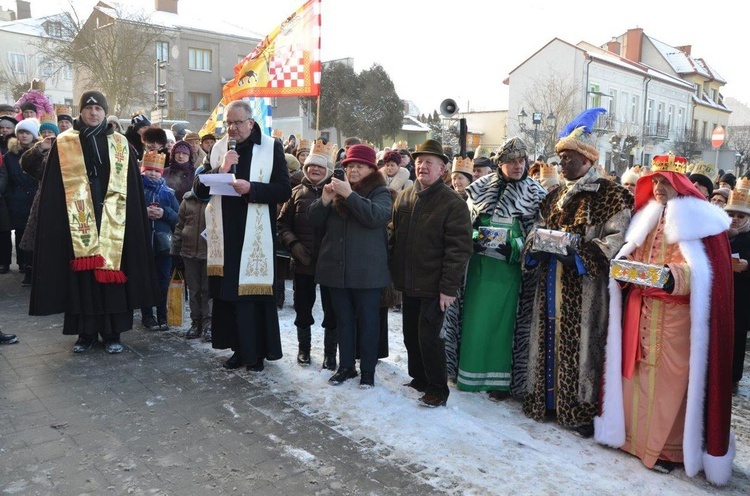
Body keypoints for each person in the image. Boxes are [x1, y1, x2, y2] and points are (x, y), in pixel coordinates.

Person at [595, 153, 735, 485]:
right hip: (642, 311)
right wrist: (625, 268)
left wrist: (673, 277)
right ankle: (635, 441)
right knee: (638, 374)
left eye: (664, 182)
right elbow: (633, 256)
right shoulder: (646, 217)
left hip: (678, 321)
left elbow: (707, 272)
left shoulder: (701, 222)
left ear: (679, 185)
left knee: (672, 384)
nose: (658, 187)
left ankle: (667, 449)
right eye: (654, 181)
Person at [523, 108, 632, 436]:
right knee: (548, 341)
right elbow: (534, 231)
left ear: (587, 159)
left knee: (584, 348)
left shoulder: (613, 196)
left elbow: (616, 240)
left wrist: (580, 255)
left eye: (569, 158)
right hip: (550, 286)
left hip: (586, 290)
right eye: (560, 159)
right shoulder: (553, 197)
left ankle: (580, 411)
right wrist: (536, 245)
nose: (562, 164)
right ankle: (547, 402)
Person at [29, 90, 160, 353]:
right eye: (88, 109)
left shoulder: (121, 143)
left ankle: (113, 333)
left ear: (104, 112)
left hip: (114, 220)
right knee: (84, 279)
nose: (93, 113)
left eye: (98, 109)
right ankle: (85, 333)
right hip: (78, 221)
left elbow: (132, 188)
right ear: (81, 111)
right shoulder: (64, 142)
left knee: (112, 275)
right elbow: (52, 186)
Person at [193, 99, 291, 372]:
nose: (232, 129)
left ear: (251, 121)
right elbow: (199, 190)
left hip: (255, 234)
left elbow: (283, 190)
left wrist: (252, 189)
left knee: (252, 299)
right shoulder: (219, 148)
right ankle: (237, 349)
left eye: (237, 123)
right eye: (228, 123)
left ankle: (256, 352)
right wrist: (221, 170)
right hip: (225, 233)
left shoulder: (271, 147)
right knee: (229, 297)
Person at [453, 137, 547, 401]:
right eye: (511, 162)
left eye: (521, 161)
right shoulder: (479, 188)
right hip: (478, 269)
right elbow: (465, 224)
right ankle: (469, 374)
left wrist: (516, 248)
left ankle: (501, 383)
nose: (518, 166)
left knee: (505, 326)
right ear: (501, 164)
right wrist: (473, 239)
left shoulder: (536, 194)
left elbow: (537, 233)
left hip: (511, 273)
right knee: (475, 321)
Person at [390, 139, 473, 407]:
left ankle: (438, 388)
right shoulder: (405, 195)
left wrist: (449, 288)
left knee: (429, 337)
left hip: (434, 285)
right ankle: (420, 378)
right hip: (408, 282)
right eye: (419, 162)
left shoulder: (453, 203)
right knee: (410, 336)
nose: (422, 167)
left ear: (442, 170)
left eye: (429, 163)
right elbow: (394, 237)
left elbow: (459, 250)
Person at [308, 144, 391, 388]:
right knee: (343, 320)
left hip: (367, 273)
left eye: (359, 166)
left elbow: (375, 217)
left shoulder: (380, 191)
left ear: (370, 168)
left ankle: (367, 370)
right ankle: (346, 367)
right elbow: (313, 222)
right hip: (337, 269)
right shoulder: (336, 190)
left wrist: (350, 195)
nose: (353, 170)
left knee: (367, 321)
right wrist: (324, 200)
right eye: (349, 166)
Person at [277, 140, 338, 369]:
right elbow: (282, 225)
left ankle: (330, 354)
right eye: (311, 165)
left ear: (328, 171)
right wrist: (294, 246)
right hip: (303, 263)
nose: (315, 169)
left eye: (320, 167)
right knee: (303, 309)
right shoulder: (295, 193)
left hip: (330, 264)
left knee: (332, 311)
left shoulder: (337, 193)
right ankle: (304, 349)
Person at [139, 151, 179, 332]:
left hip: (164, 245)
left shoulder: (168, 193)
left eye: (156, 171)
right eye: (149, 170)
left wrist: (164, 213)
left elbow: (178, 218)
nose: (153, 174)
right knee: (145, 280)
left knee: (163, 280)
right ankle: (147, 316)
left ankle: (163, 314)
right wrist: (143, 213)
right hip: (143, 243)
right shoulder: (137, 190)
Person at [18, 113, 59, 287]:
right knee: (41, 246)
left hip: (67, 202)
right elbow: (26, 165)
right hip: (44, 202)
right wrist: (41, 147)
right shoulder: (42, 150)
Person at [172, 165, 212, 341]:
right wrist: (176, 248)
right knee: (194, 290)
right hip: (189, 253)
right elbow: (180, 226)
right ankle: (195, 322)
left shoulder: (216, 201)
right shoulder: (187, 200)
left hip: (210, 254)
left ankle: (209, 324)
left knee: (208, 291)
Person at [3, 119, 39, 278]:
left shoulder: (39, 151)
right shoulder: (9, 155)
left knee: (33, 230)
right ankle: (21, 262)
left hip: (34, 195)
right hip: (17, 197)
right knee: (19, 230)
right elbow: (7, 177)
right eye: (21, 132)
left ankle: (32, 261)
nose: (24, 136)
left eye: (27, 133)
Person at [725, 179, 750, 395]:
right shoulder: (719, 234)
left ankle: (733, 378)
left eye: (740, 216)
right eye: (732, 215)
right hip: (721, 293)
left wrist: (747, 266)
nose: (735, 219)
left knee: (737, 337)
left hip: (742, 297)